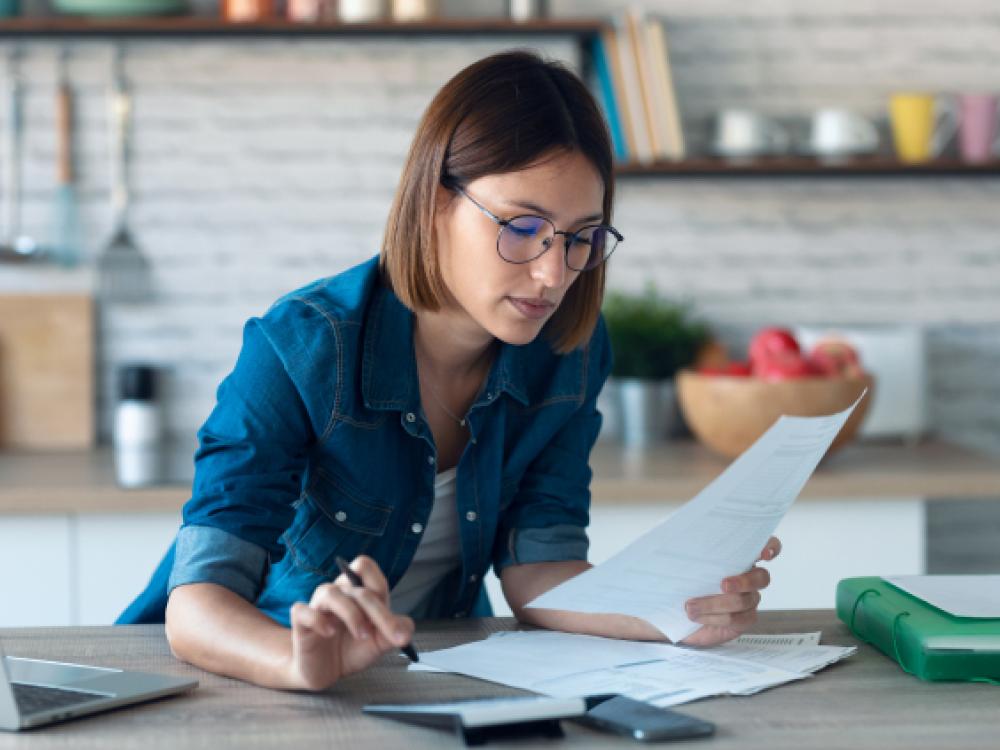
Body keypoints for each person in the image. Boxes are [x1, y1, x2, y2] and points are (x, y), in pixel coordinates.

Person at [119, 50, 781, 691]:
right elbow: (199, 602)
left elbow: (537, 569)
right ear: (436, 203)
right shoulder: (301, 347)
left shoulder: (569, 353)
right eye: (523, 227)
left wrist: (676, 613)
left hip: (419, 679)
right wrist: (297, 661)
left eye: (582, 237)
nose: (554, 274)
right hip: (246, 679)